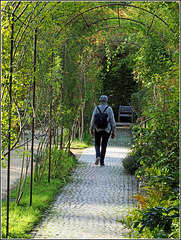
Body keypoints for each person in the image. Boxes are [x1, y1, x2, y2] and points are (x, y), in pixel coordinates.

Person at [90, 95, 116, 166]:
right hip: (106, 130)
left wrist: (91, 129)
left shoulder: (96, 108)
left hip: (97, 129)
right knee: (104, 144)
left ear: (100, 101)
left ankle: (97, 155)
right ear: (106, 101)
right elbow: (112, 121)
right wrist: (113, 131)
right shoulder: (109, 109)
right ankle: (102, 162)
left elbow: (93, 120)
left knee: (97, 143)